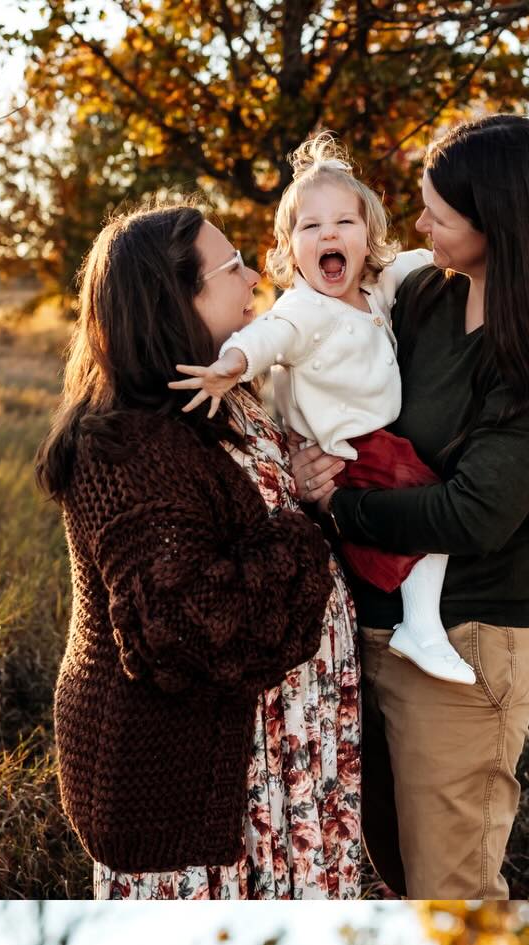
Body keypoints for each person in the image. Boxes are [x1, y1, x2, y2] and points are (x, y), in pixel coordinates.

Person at [290, 115, 529, 901]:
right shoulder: (424, 297)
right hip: (369, 626)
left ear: (496, 220)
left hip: (469, 644)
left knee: (451, 892)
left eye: (438, 211)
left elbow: (477, 514)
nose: (419, 224)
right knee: (401, 876)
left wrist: (342, 503)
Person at [37, 199, 362, 900]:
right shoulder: (124, 445)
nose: (253, 278)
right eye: (233, 265)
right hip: (208, 788)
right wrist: (305, 525)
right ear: (176, 299)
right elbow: (189, 627)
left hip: (286, 764)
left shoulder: (225, 395)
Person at [172, 134, 473, 686]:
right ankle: (422, 627)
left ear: (368, 236)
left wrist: (470, 243)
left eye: (344, 224)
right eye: (310, 227)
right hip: (348, 448)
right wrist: (232, 363)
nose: (328, 234)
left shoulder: (372, 287)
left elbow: (417, 261)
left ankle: (412, 620)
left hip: (374, 440)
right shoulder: (304, 308)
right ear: (289, 247)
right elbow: (269, 333)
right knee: (428, 510)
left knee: (419, 518)